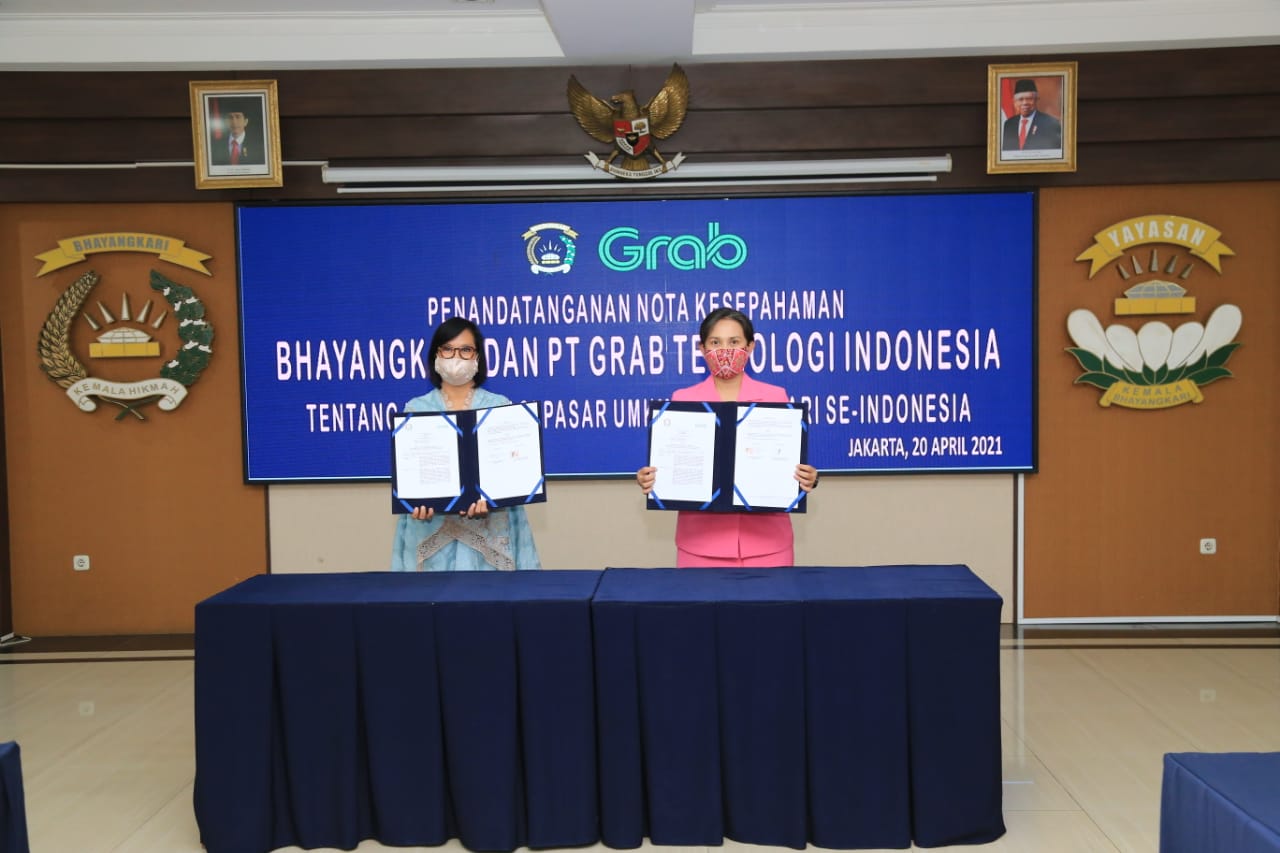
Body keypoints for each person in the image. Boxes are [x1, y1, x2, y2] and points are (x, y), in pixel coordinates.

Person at [636, 307, 819, 568]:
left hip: (768, 546)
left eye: (734, 342)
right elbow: (671, 466)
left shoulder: (776, 397)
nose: (725, 350)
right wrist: (653, 478)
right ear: (701, 348)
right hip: (699, 546)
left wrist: (808, 477)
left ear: (750, 346)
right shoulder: (682, 400)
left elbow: (788, 464)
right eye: (715, 342)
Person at [390, 316, 541, 572]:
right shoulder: (415, 410)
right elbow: (411, 477)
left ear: (477, 356)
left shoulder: (499, 407)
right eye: (447, 349)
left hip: (489, 537)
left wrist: (495, 499)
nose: (456, 357)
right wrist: (416, 502)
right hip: (432, 535)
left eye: (465, 350)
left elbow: (512, 474)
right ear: (435, 355)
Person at [1001, 78, 1062, 152]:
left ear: (1036, 99)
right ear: (1015, 102)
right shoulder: (1008, 124)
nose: (1025, 103)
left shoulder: (1051, 124)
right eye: (1020, 99)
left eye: (1029, 99)